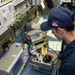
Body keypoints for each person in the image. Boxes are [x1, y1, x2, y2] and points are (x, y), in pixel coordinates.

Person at [31, 6, 75, 75]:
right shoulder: (71, 42)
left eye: (52, 30)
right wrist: (57, 56)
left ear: (60, 31)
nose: (52, 33)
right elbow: (68, 51)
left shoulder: (69, 66)